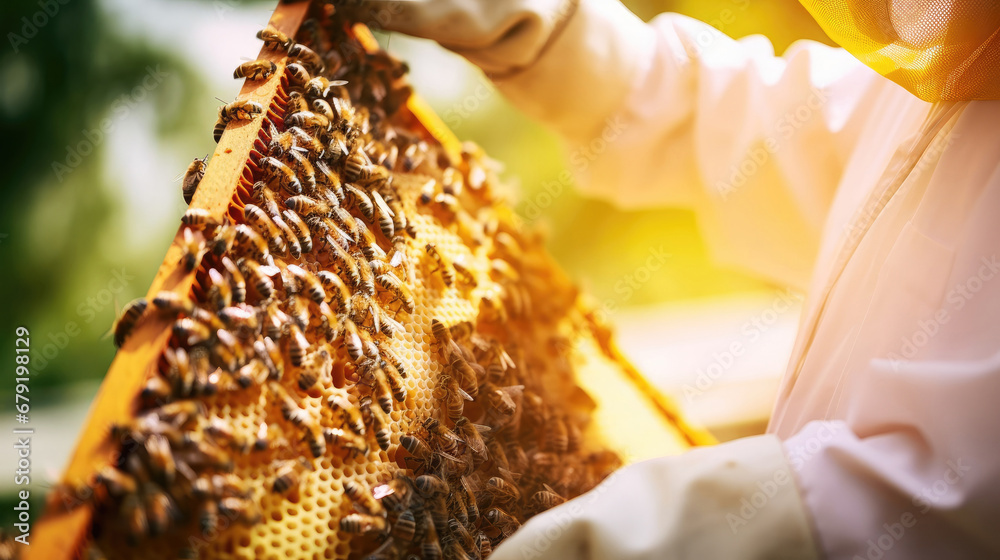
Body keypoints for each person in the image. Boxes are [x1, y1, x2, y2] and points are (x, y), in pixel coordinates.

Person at [350, 1, 1000, 558]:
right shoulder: (955, 79)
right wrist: (540, 26)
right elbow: (747, 124)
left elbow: (940, 498)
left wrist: (611, 543)